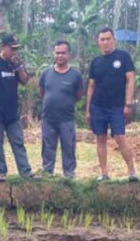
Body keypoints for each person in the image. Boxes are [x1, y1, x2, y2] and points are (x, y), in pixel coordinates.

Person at [87, 27, 138, 182]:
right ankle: (104, 173)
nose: (105, 42)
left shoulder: (123, 57)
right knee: (100, 138)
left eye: (108, 39)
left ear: (114, 40)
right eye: (102, 39)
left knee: (120, 137)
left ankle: (132, 171)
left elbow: (130, 80)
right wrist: (88, 110)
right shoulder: (96, 62)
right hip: (98, 106)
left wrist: (128, 104)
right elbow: (91, 86)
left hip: (117, 106)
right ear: (98, 42)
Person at [0, 34, 34, 180]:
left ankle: (25, 172)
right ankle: (1, 172)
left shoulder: (15, 64)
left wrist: (19, 66)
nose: (14, 52)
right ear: (3, 47)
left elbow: (25, 81)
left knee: (18, 142)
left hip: (12, 113)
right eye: (12, 49)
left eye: (16, 49)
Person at [39, 40, 83, 178]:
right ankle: (47, 174)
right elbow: (42, 92)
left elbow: (78, 95)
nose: (60, 56)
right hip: (48, 118)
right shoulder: (46, 73)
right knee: (48, 148)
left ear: (69, 55)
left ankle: (69, 176)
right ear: (54, 54)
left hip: (67, 119)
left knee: (68, 147)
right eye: (57, 53)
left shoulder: (75, 75)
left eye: (63, 53)